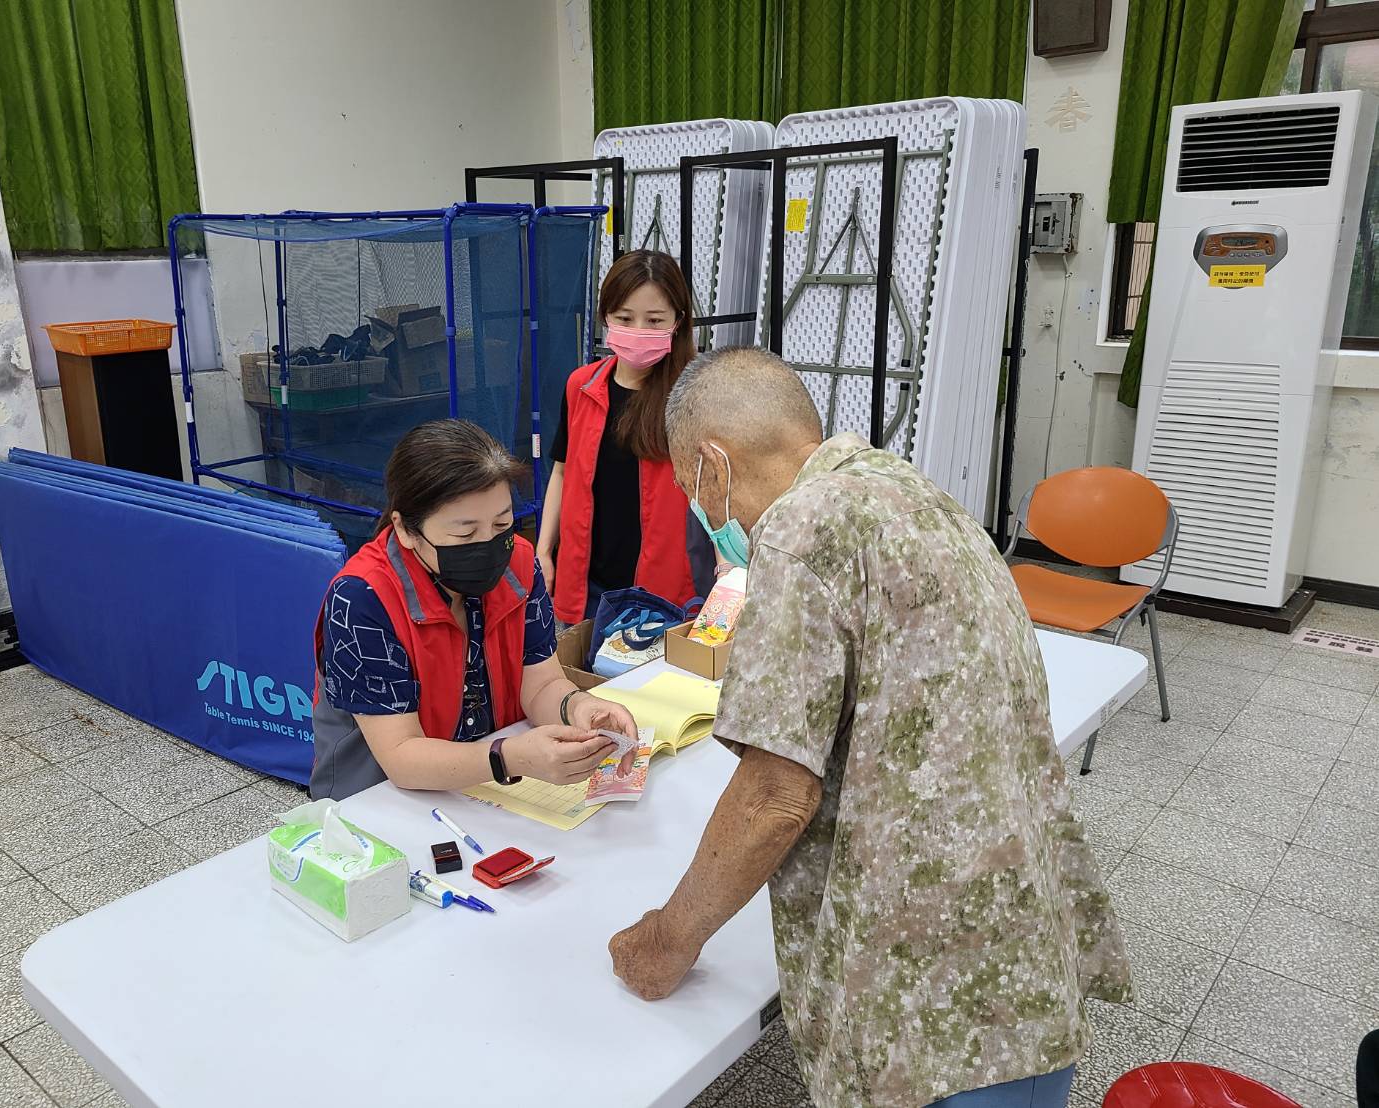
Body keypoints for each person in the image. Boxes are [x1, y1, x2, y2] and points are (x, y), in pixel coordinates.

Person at [608, 348, 1133, 1108]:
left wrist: (666, 940)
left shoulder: (797, 528)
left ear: (712, 464)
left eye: (692, 485)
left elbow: (772, 800)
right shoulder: (905, 489)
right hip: (1015, 942)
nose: (704, 511)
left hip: (927, 986)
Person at [308, 419, 638, 800]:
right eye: (465, 534)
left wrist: (580, 707)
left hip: (482, 787)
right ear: (406, 529)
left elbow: (541, 685)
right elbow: (401, 756)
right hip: (377, 802)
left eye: (502, 524)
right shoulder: (363, 599)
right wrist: (508, 758)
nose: (489, 545)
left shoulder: (519, 565)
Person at [537, 249, 705, 625]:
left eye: (655, 320)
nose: (639, 331)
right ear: (606, 317)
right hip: (587, 585)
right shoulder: (582, 386)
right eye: (625, 318)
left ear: (678, 321)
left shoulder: (696, 395)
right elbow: (562, 473)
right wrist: (545, 550)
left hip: (665, 594)